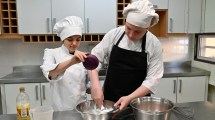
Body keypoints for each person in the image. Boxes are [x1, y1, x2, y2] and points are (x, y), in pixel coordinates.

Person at [89, 0, 164, 111]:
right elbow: (94, 59)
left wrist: (130, 98)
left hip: (138, 104)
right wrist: (95, 85)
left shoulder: (154, 44)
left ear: (147, 29)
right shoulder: (114, 35)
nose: (131, 34)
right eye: (128, 28)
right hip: (110, 101)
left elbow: (153, 80)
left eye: (137, 31)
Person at [40, 16, 88, 111]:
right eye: (70, 39)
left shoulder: (82, 56)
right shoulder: (51, 53)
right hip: (61, 109)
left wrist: (91, 87)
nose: (74, 43)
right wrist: (71, 62)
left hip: (81, 107)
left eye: (78, 39)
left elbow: (85, 83)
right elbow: (50, 74)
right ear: (62, 39)